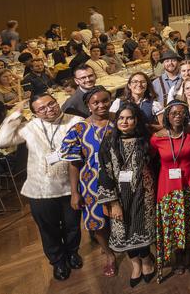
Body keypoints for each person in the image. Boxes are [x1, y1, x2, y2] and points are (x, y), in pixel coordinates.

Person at [0, 94, 84, 281]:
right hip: (41, 189)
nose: (49, 109)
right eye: (42, 108)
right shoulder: (29, 127)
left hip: (72, 187)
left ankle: (72, 253)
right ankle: (58, 262)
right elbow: (1, 141)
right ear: (34, 113)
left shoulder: (75, 121)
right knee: (48, 229)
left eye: (51, 104)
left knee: (73, 226)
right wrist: (16, 113)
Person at [97, 103, 157, 287]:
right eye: (121, 118)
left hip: (144, 194)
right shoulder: (109, 142)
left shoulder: (145, 140)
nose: (124, 121)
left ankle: (146, 261)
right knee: (125, 230)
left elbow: (155, 165)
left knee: (142, 227)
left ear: (136, 120)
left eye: (129, 118)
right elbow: (104, 172)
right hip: (119, 197)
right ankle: (135, 264)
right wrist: (113, 202)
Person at [60, 86, 116, 277]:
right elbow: (74, 164)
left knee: (120, 216)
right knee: (97, 221)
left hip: (119, 181)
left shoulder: (119, 121)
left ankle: (124, 245)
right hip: (91, 183)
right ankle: (109, 254)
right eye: (96, 102)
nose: (101, 105)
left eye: (105, 101)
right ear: (88, 105)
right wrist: (75, 192)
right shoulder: (79, 129)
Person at [150, 100, 190, 280]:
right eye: (174, 113)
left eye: (182, 113)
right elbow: (151, 161)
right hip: (168, 184)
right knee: (172, 221)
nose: (177, 116)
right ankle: (177, 257)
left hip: (189, 181)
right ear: (167, 115)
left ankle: (189, 253)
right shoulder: (157, 137)